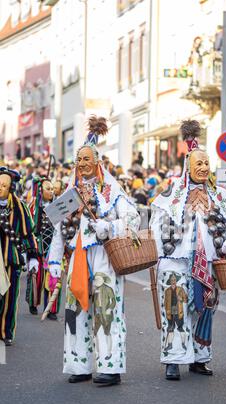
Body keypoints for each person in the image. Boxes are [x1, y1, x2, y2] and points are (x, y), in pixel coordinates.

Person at [48, 116, 140, 386]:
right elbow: (58, 226)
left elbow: (133, 219)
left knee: (106, 309)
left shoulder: (112, 190)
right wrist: (54, 259)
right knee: (75, 310)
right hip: (78, 257)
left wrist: (109, 227)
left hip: (105, 258)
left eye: (87, 159)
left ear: (98, 163)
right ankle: (79, 365)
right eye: (79, 160)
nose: (82, 164)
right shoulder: (71, 192)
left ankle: (110, 367)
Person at [150, 120, 226, 380]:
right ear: (187, 167)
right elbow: (157, 227)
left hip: (209, 263)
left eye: (206, 163)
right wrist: (160, 253)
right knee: (175, 311)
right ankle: (174, 359)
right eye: (198, 164)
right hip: (175, 263)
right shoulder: (171, 197)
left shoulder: (219, 197)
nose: (203, 168)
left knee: (205, 309)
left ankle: (200, 358)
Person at [0, 167, 38, 345]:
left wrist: (33, 256)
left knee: (9, 298)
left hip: (11, 259)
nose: (1, 187)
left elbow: (28, 233)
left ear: (10, 188)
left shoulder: (19, 207)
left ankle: (6, 333)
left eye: (4, 185)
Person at [26, 177, 61, 320]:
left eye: (53, 189)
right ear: (41, 190)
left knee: (53, 278)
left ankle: (51, 309)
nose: (51, 192)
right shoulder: (33, 206)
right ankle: (33, 304)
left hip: (54, 247)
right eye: (48, 189)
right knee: (37, 278)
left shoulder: (58, 205)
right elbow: (28, 227)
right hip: (38, 247)